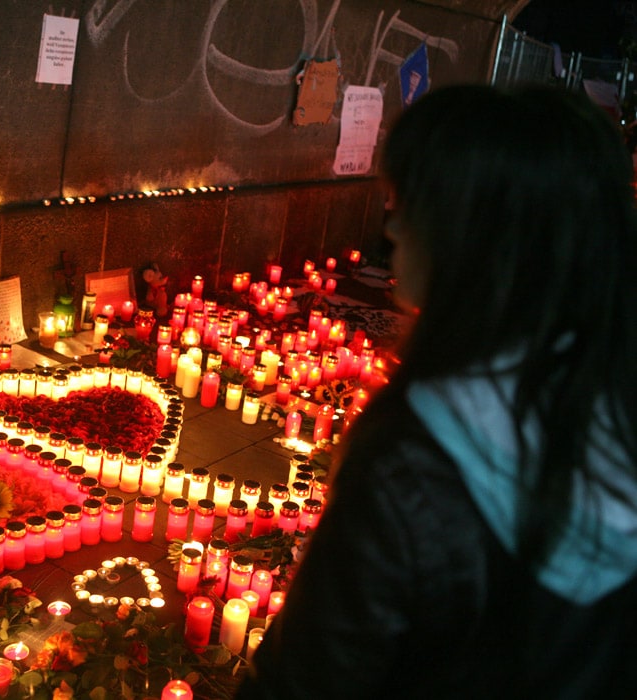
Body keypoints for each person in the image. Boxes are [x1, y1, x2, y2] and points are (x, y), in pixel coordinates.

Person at [235, 83, 637, 699]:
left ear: (482, 233)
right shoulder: (607, 400)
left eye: (415, 200)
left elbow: (309, 676)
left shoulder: (416, 457)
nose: (391, 225)